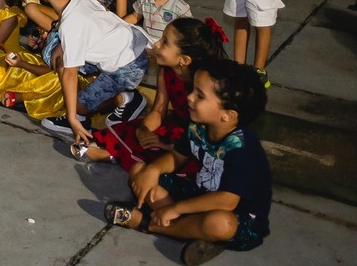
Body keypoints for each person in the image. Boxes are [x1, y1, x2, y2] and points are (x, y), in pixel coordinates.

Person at [103, 59, 271, 266]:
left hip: (239, 216)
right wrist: (154, 170)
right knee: (140, 170)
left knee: (220, 224)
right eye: (193, 90)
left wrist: (176, 209)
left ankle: (150, 223)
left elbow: (227, 201)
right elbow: (176, 158)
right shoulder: (197, 126)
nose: (189, 97)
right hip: (199, 194)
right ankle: (188, 230)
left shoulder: (242, 148)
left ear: (228, 115)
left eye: (199, 95)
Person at [72, 17, 228, 171]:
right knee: (135, 133)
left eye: (165, 42)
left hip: (196, 136)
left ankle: (118, 155)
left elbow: (208, 129)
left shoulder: (202, 82)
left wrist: (167, 144)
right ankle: (120, 153)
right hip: (174, 123)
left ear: (184, 60)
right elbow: (159, 110)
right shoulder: (166, 70)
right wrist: (144, 130)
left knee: (172, 158)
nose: (157, 44)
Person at [36, 0, 151, 142]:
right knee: (59, 56)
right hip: (130, 49)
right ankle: (86, 106)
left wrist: (72, 117)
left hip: (127, 67)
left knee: (78, 103)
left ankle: (128, 100)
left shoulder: (71, 24)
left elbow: (70, 73)